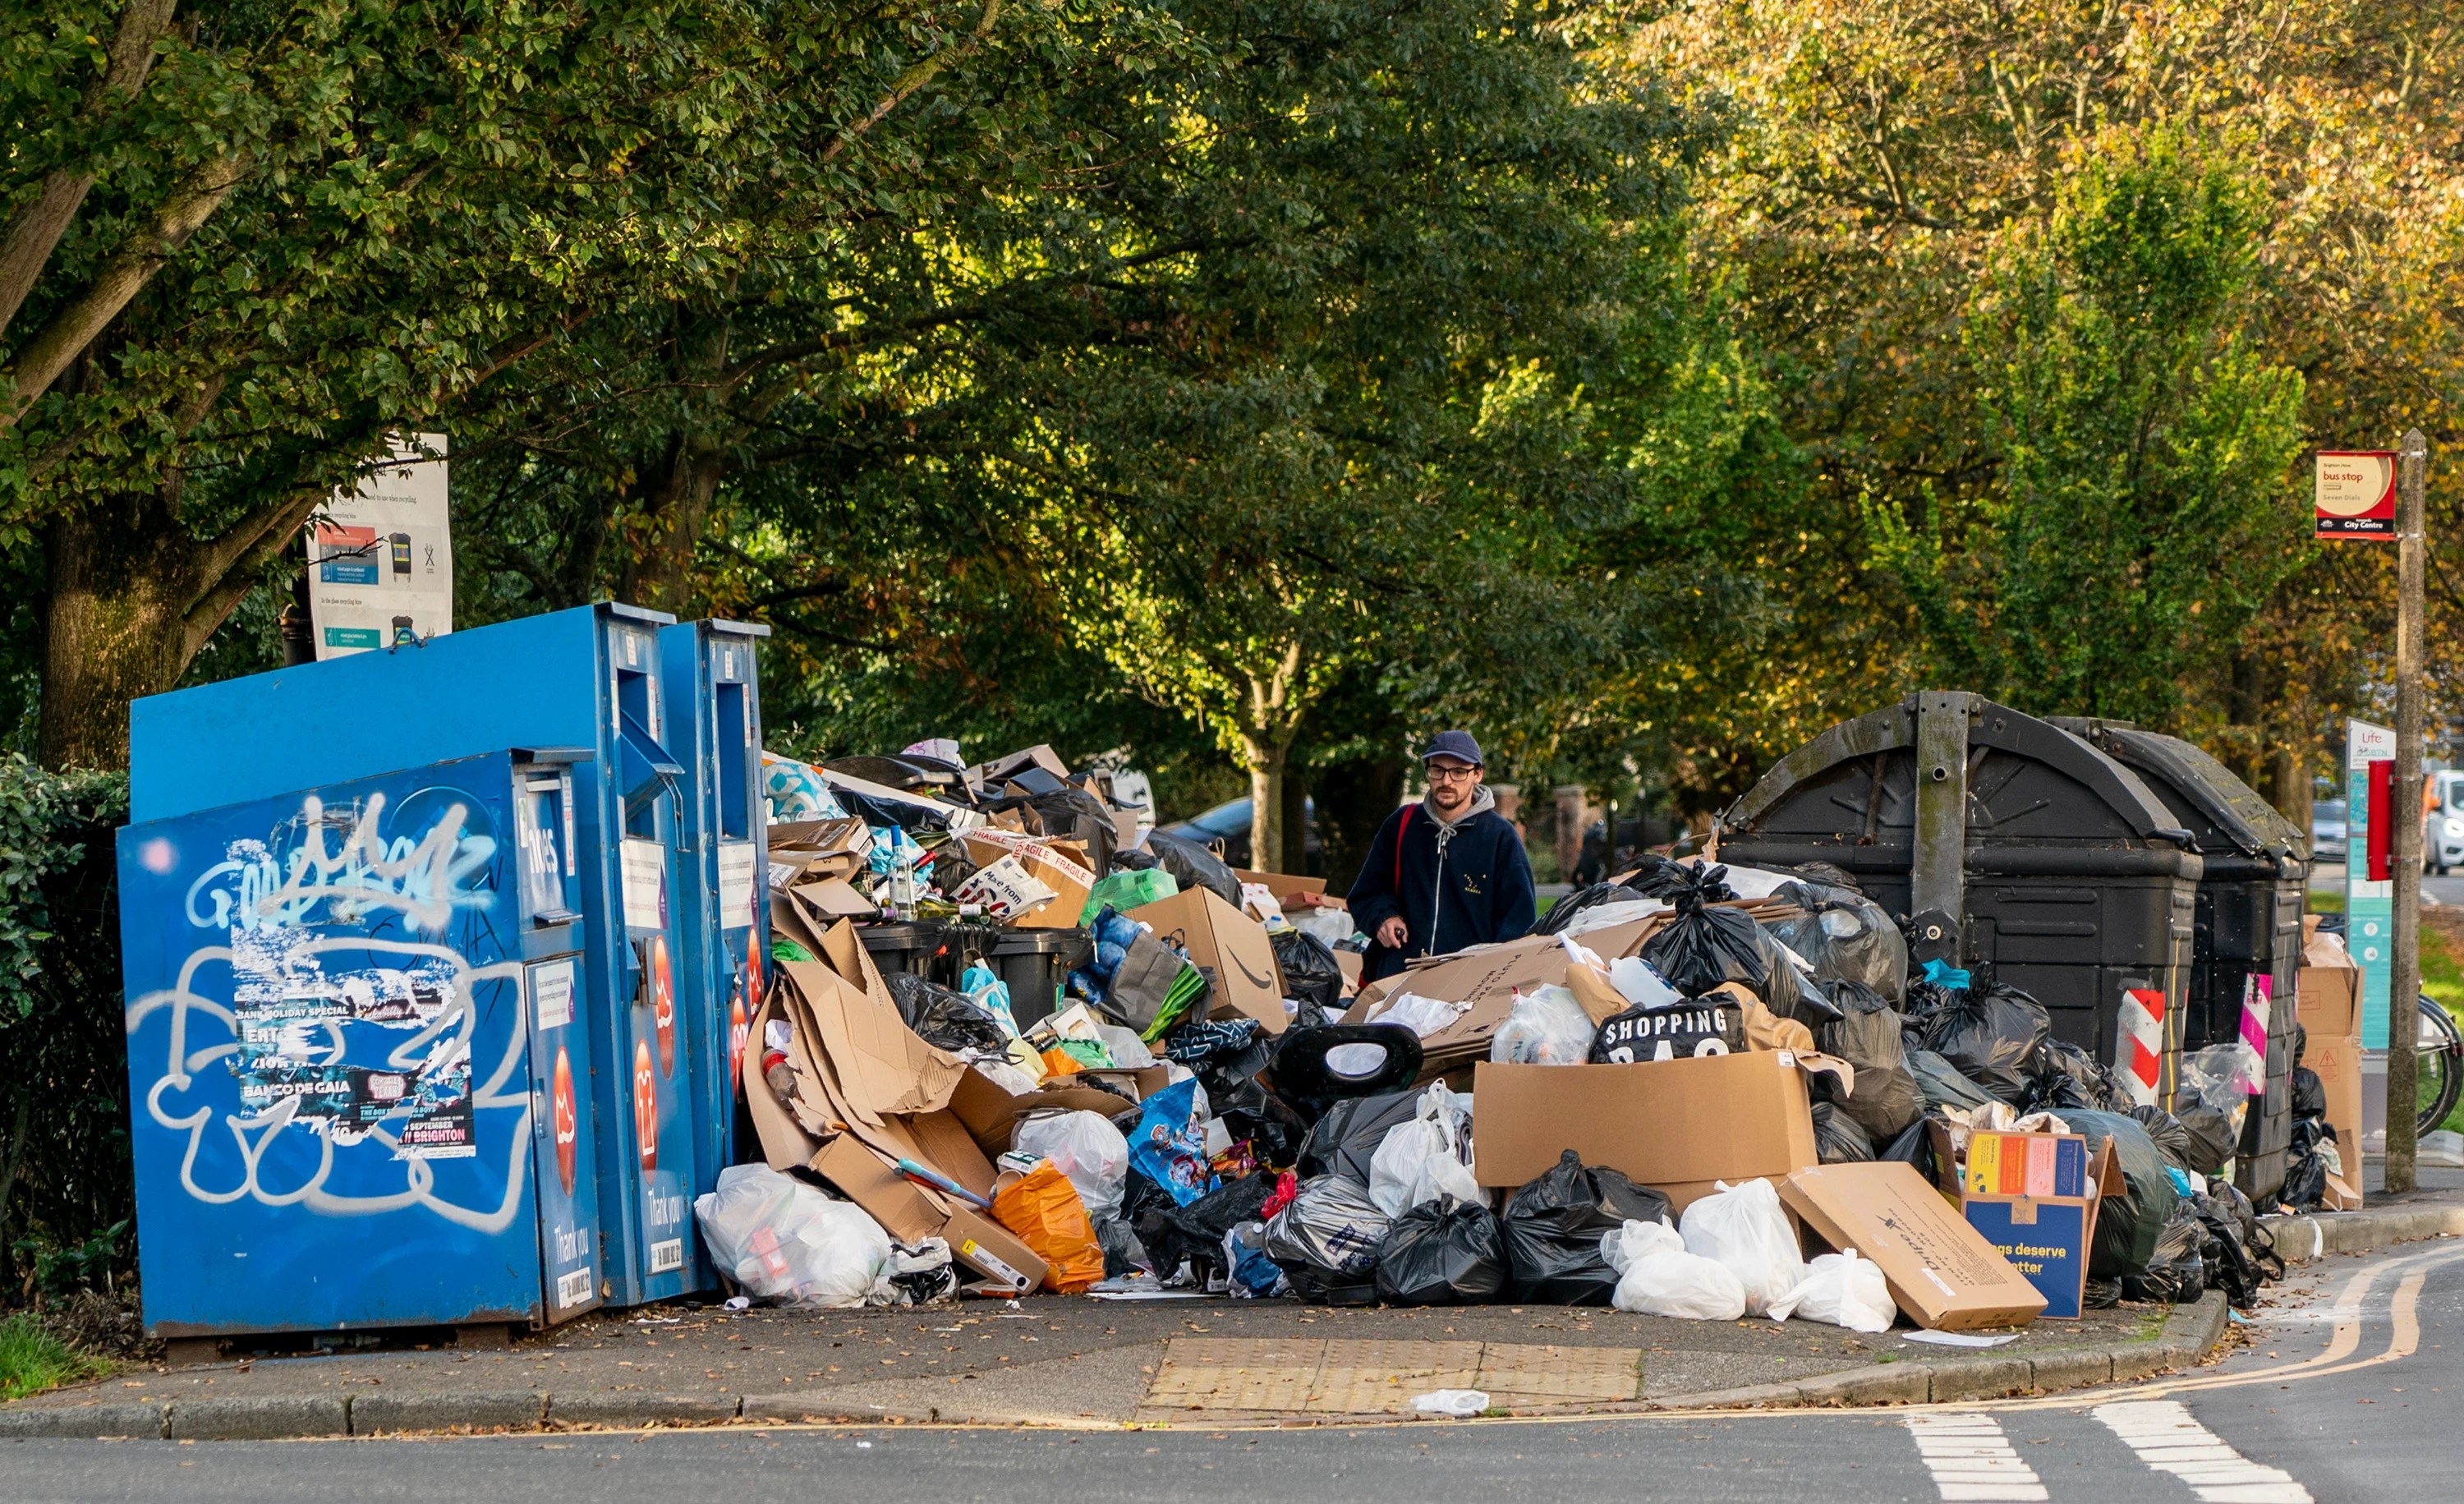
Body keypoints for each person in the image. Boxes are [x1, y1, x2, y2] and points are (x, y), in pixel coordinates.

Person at [1345, 730, 1537, 982]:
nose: (1447, 781)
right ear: (1428, 772)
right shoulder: (1401, 825)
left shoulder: (1500, 837)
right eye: (1438, 770)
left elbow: (1519, 924)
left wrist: (1491, 980)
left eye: (1459, 771)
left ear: (1478, 774)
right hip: (1398, 981)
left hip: (1466, 988)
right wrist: (1384, 917)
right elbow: (1367, 893)